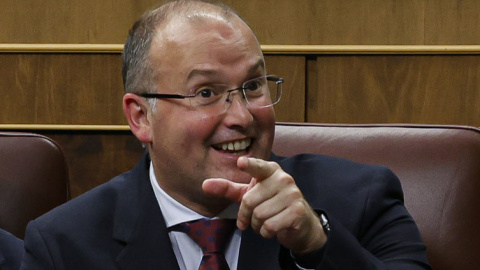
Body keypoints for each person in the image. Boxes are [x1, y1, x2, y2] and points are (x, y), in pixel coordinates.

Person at [21, 1, 431, 269]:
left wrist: (316, 244)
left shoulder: (361, 198)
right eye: (206, 93)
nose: (241, 116)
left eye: (253, 86)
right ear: (141, 117)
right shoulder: (63, 246)